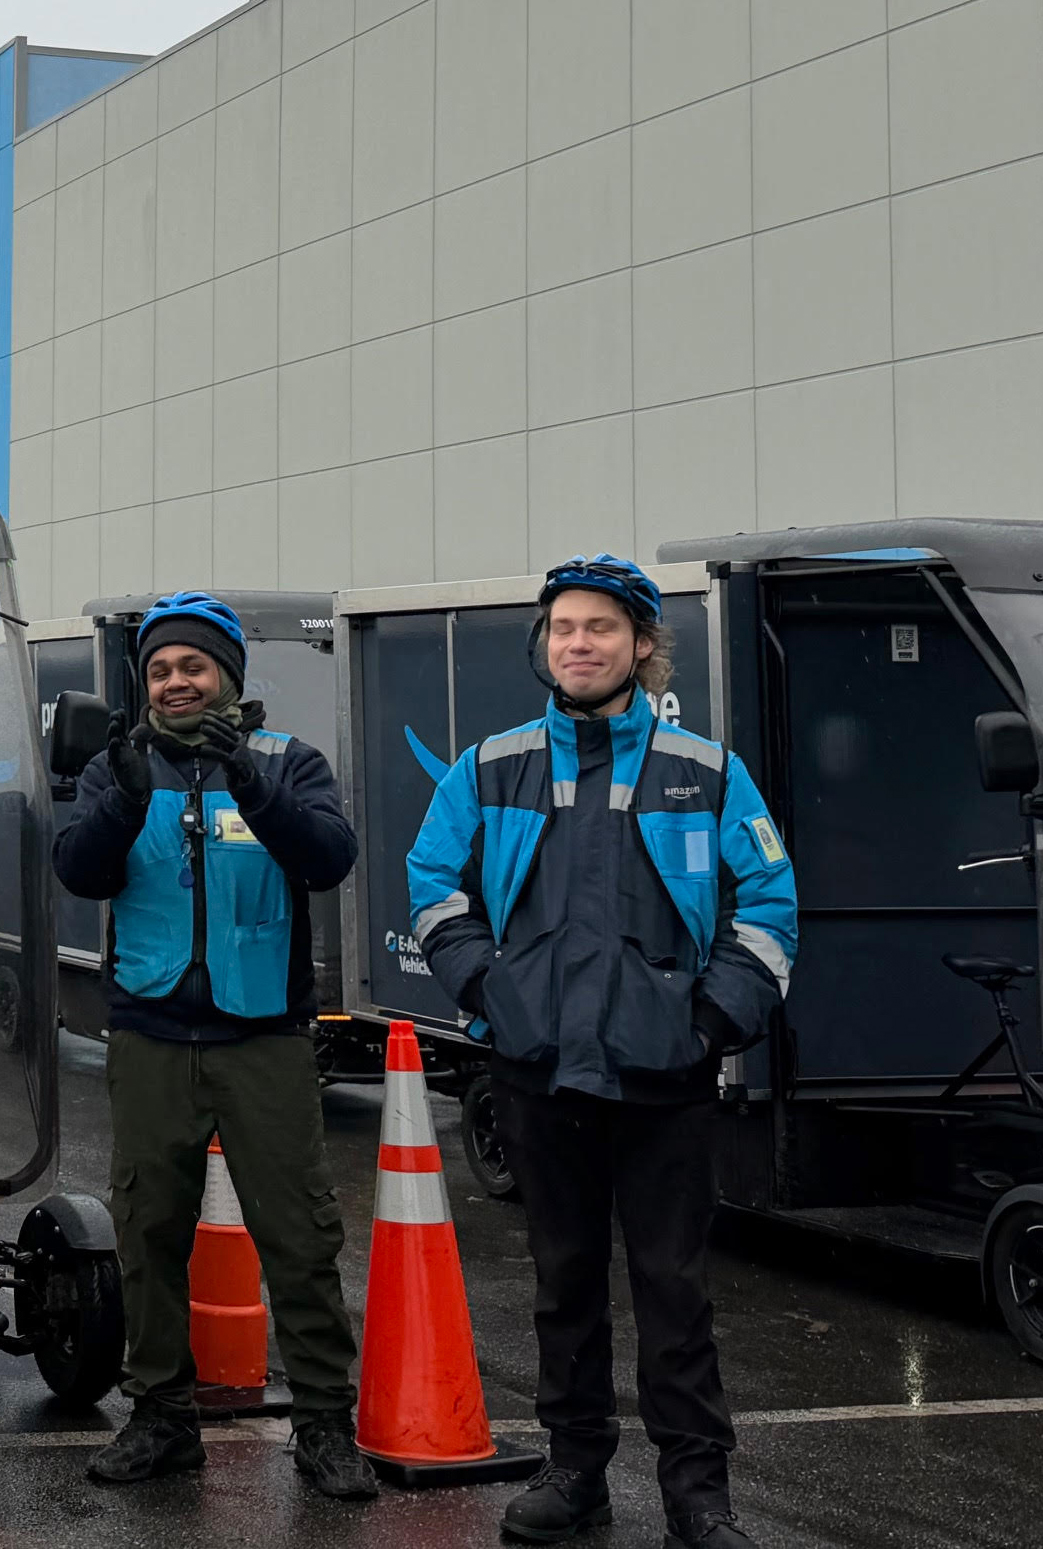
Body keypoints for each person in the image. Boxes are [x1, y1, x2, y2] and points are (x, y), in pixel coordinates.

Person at [408, 555, 797, 1549]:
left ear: (641, 645)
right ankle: (576, 1472)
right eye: (563, 627)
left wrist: (709, 1025)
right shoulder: (489, 766)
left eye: (601, 627)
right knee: (565, 1284)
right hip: (539, 1072)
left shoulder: (706, 772)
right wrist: (491, 992)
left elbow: (768, 904)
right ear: (543, 644)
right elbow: (433, 885)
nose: (579, 643)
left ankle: (697, 1496)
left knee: (676, 1291)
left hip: (665, 1078)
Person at [50, 593, 378, 1501]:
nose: (175, 682)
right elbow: (79, 870)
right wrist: (120, 797)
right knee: (147, 1231)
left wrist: (253, 786)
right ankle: (161, 1415)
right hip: (152, 1034)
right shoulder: (121, 765)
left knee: (299, 1235)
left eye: (192, 666)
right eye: (159, 670)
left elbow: (329, 857)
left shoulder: (287, 761)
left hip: (262, 1037)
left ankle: (323, 1422)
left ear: (227, 675)